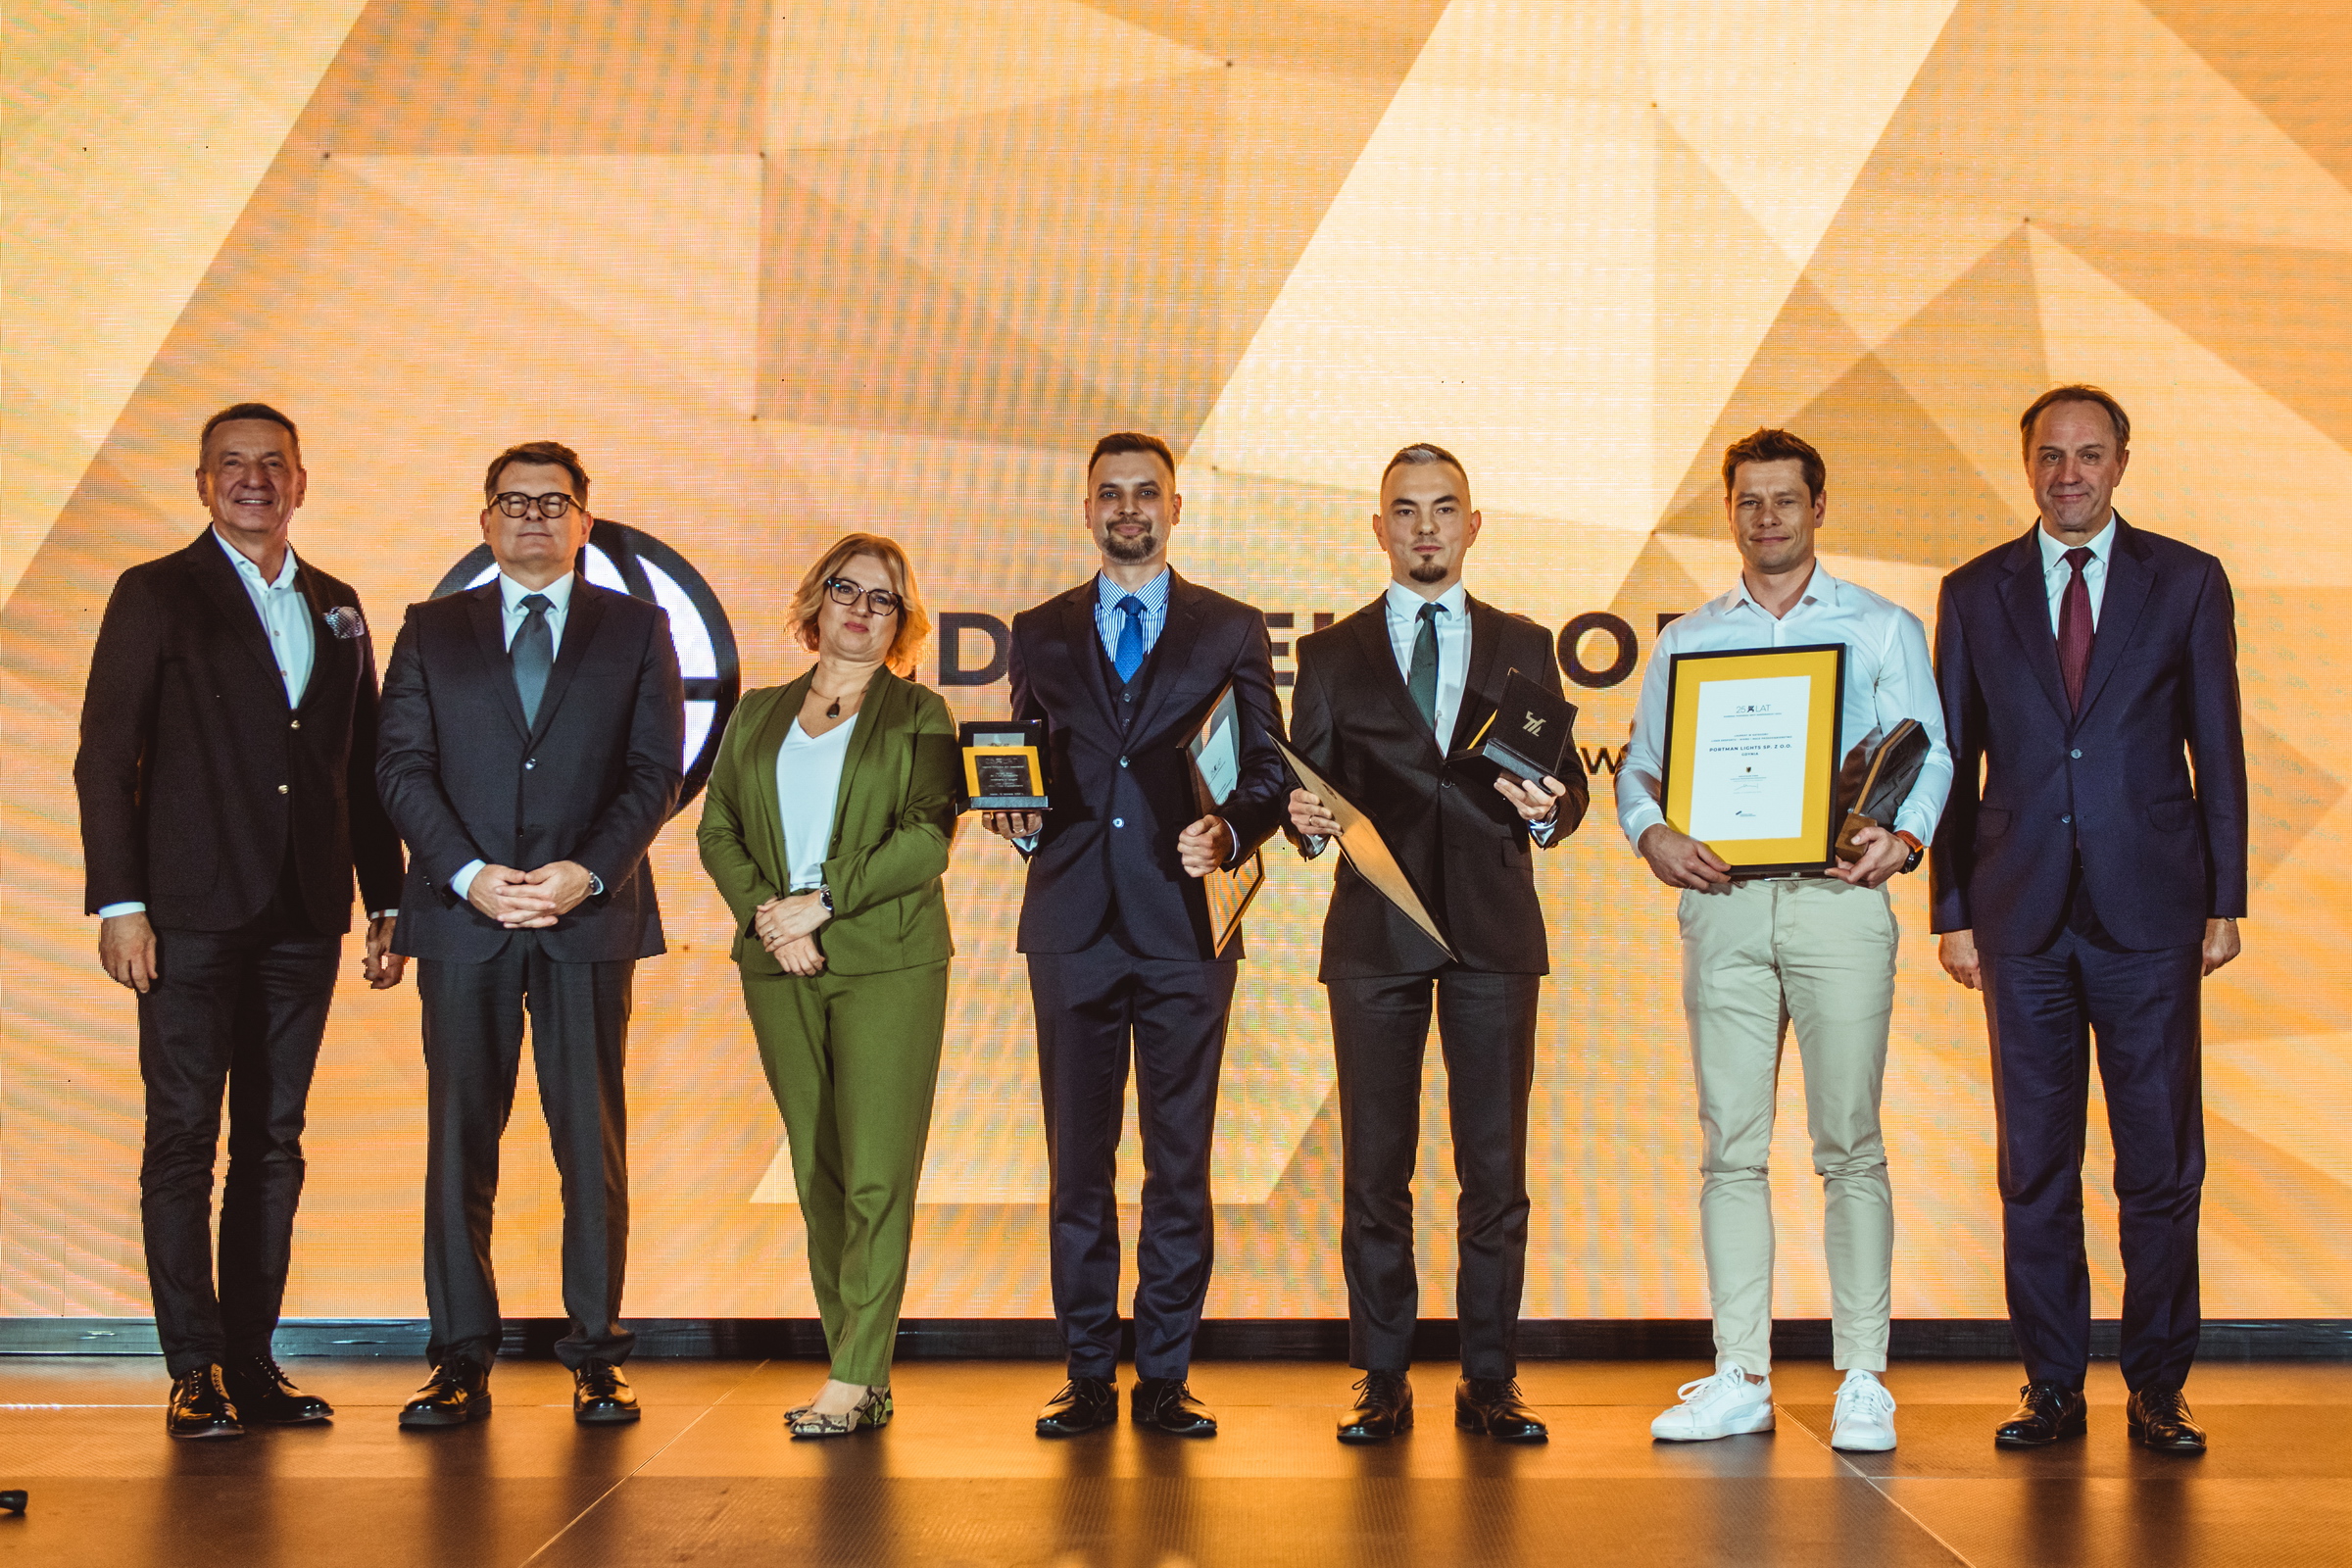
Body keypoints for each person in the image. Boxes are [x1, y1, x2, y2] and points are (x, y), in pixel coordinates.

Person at [74, 402, 406, 1440]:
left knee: (273, 1143)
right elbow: (104, 757)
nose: (253, 479)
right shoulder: (155, 592)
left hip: (304, 914)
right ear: (202, 482)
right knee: (182, 1138)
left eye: (272, 463)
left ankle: (253, 1362)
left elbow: (359, 762)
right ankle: (193, 1369)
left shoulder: (339, 604)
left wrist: (386, 897)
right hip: (186, 917)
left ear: (300, 482)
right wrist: (121, 904)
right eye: (232, 463)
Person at [1618, 428, 1952, 1453]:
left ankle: (1863, 1377)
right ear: (1730, 512)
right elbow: (1640, 766)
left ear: (1820, 506)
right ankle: (1740, 1374)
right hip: (1724, 904)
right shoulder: (1689, 639)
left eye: (1785, 500)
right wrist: (1653, 834)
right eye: (1749, 501)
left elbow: (1932, 754)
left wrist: (1905, 838)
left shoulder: (1881, 627)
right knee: (1730, 1150)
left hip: (1837, 902)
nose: (1767, 518)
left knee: (1850, 1144)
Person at [1932, 385, 2245, 1455]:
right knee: (2034, 1168)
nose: (2069, 474)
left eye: (2089, 454)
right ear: (2027, 464)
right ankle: (2052, 1385)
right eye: (2051, 455)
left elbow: (2218, 749)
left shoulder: (2188, 580)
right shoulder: (1974, 590)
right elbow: (1954, 760)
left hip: (2152, 913)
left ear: (2121, 462)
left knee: (2160, 1166)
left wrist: (2225, 899)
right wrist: (1952, 908)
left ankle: (2158, 1386)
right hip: (2018, 917)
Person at [982, 431, 1288, 1438]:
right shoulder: (1039, 631)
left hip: (1185, 929)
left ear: (1174, 507)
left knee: (1178, 1162)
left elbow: (1267, 770)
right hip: (1070, 928)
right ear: (1087, 511)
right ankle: (1086, 1373)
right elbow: (1026, 762)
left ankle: (1163, 1374)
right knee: (1077, 1166)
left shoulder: (1230, 627)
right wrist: (1014, 815)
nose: (1128, 509)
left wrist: (1232, 829)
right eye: (1110, 494)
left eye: (1145, 492)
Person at [376, 440, 684, 1429]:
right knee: (459, 1142)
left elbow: (655, 772)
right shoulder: (430, 629)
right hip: (461, 920)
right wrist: (470, 877)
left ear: (585, 522)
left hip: (585, 916)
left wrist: (583, 873)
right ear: (485, 521)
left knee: (589, 1145)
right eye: (515, 502)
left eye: (554, 503)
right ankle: (459, 1357)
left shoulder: (636, 628)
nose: (534, 518)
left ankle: (597, 1354)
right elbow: (400, 767)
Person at [1285, 442, 1588, 1446]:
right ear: (1380, 529)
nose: (1425, 527)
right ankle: (1381, 1377)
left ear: (1473, 525)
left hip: (1494, 933)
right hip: (1374, 934)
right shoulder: (1329, 657)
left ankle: (1490, 1379)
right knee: (1376, 1170)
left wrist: (1550, 811)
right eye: (1407, 510)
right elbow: (1302, 790)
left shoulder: (1525, 642)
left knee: (1494, 1173)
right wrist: (1300, 820)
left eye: (1444, 508)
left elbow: (1566, 789)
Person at [697, 533, 957, 1439]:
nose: (861, 609)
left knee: (877, 1176)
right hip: (779, 963)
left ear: (901, 622)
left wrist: (823, 903)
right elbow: (718, 829)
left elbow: (928, 837)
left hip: (889, 961)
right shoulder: (757, 713)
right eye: (847, 589)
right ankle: (859, 1370)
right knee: (819, 1170)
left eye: (884, 599)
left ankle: (851, 1376)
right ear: (817, 600)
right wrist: (771, 918)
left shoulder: (922, 714)